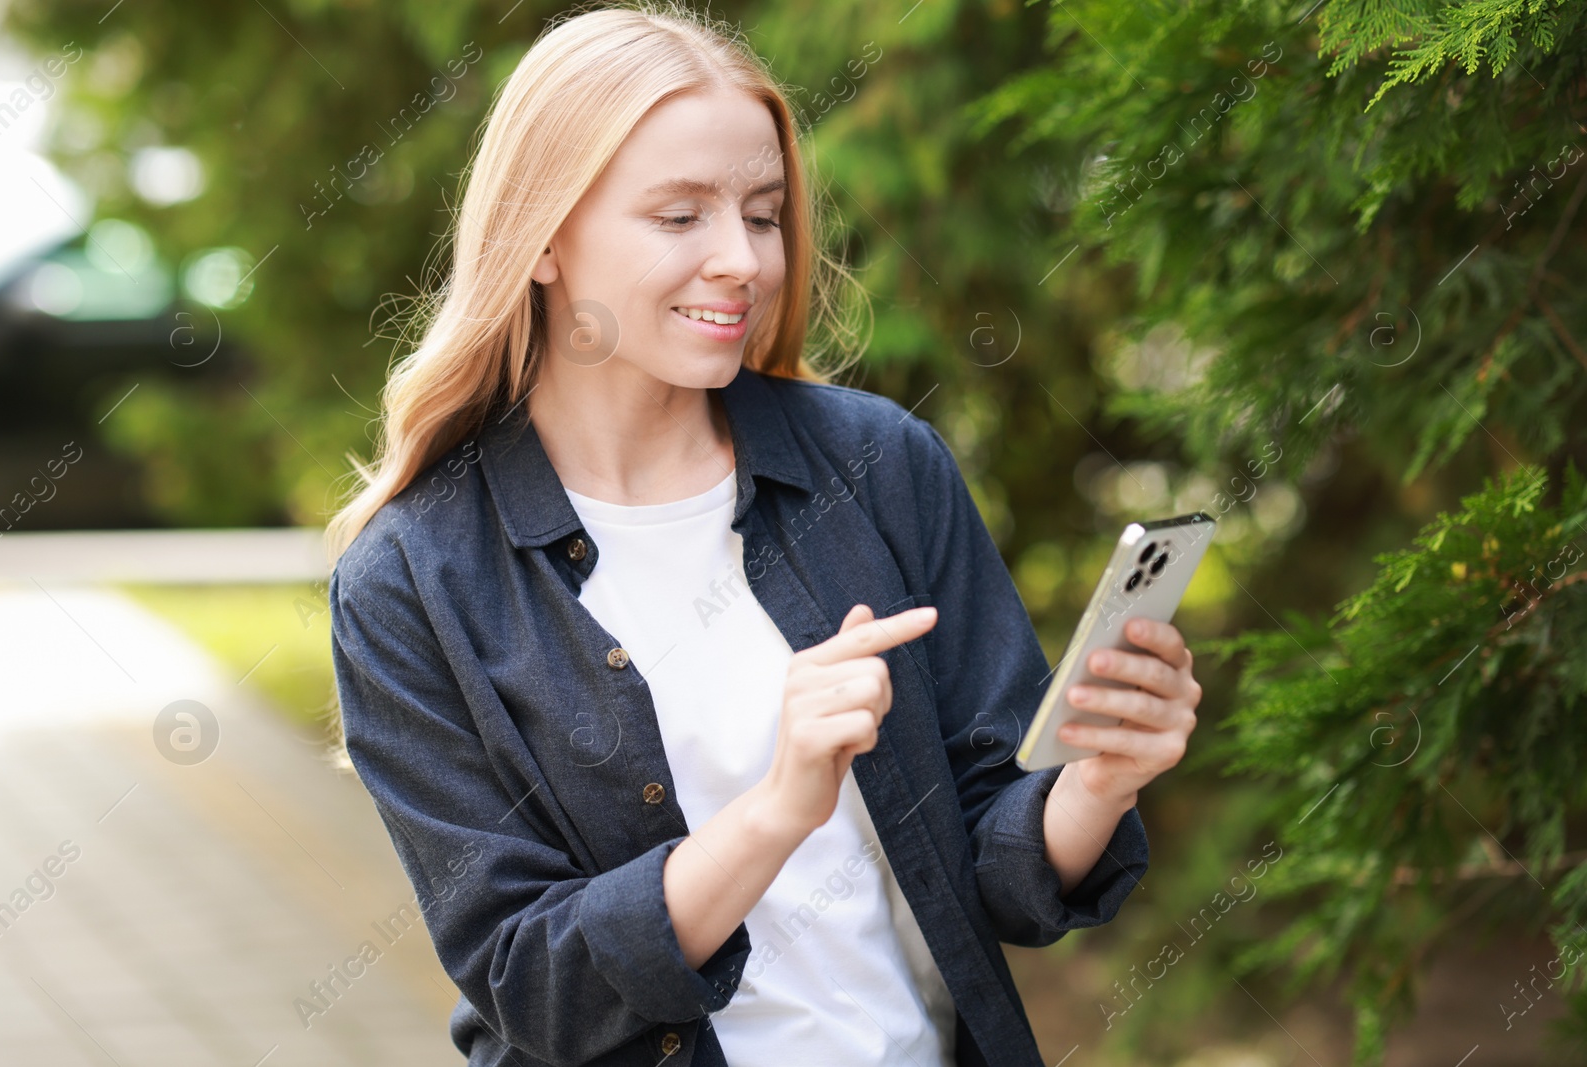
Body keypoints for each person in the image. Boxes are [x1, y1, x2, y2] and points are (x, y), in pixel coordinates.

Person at [324, 3, 1202, 1065]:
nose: (741, 259)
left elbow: (998, 872)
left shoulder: (879, 467)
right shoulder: (414, 576)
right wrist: (777, 806)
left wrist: (1099, 778)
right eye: (680, 216)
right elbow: (535, 979)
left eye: (763, 212)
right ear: (544, 239)